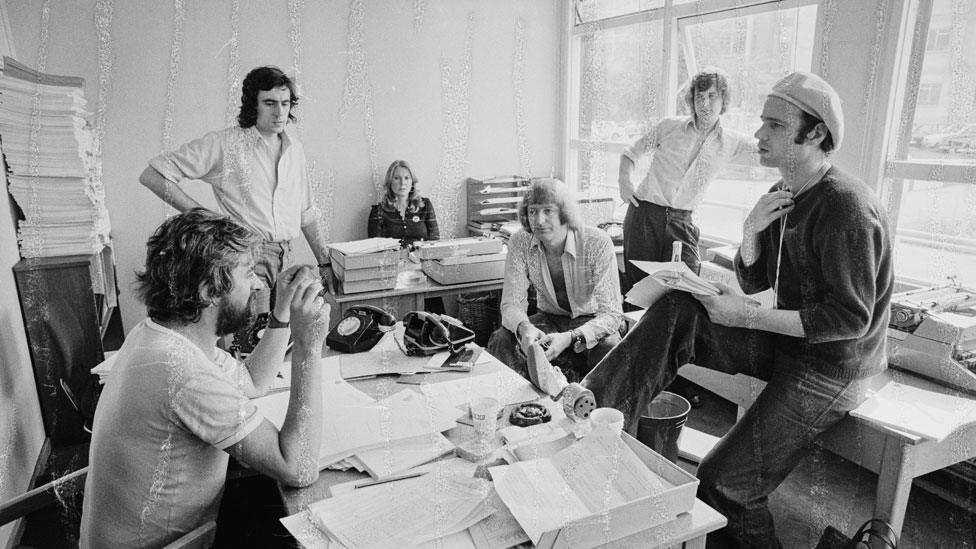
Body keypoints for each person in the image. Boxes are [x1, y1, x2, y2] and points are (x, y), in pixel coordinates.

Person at [580, 72, 893, 547]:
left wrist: (743, 315)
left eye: (773, 125)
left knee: (725, 483)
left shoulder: (846, 207)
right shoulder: (783, 195)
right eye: (762, 122)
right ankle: (594, 420)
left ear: (814, 135)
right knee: (680, 307)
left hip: (833, 367)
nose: (759, 135)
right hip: (791, 342)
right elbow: (760, 284)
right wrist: (750, 234)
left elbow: (849, 322)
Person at [79, 209, 330, 548]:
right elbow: (298, 467)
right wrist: (308, 347)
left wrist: (281, 313)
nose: (257, 283)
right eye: (248, 273)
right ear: (209, 290)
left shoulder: (160, 335)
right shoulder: (181, 372)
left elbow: (252, 381)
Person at [139, 65, 332, 310]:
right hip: (245, 257)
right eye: (269, 103)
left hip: (286, 257)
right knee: (251, 338)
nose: (279, 112)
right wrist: (205, 218)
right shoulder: (227, 144)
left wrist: (325, 262)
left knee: (281, 338)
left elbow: (306, 213)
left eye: (285, 103)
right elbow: (153, 175)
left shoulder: (295, 149)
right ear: (253, 105)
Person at [619, 69, 756, 290]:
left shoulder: (732, 141)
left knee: (686, 288)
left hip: (681, 220)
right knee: (640, 288)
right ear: (692, 101)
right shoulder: (669, 126)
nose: (705, 103)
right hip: (644, 214)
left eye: (712, 96)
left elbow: (767, 149)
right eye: (699, 97)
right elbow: (631, 152)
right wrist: (624, 182)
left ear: (724, 100)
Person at [486, 178, 623, 384]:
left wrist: (571, 337)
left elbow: (612, 314)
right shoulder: (519, 241)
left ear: (565, 212)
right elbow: (511, 303)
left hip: (589, 321)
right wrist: (524, 327)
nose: (539, 221)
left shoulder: (597, 242)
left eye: (548, 211)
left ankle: (595, 411)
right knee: (501, 341)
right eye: (532, 211)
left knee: (610, 349)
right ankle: (523, 406)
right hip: (547, 319)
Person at [367, 159, 439, 248]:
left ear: (412, 182)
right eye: (396, 178)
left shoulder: (425, 205)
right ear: (390, 182)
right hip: (392, 260)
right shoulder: (378, 212)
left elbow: (435, 242)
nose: (402, 183)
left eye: (406, 178)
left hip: (422, 260)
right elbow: (374, 249)